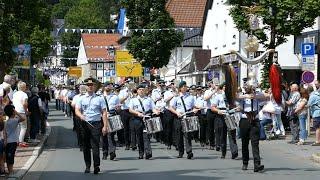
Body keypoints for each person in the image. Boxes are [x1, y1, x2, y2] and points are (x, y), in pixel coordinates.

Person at [75, 78, 109, 174]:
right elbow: (77, 110)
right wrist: (81, 115)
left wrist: (105, 126)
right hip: (85, 124)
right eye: (88, 85)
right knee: (86, 146)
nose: (90, 86)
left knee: (95, 145)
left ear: (94, 86)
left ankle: (96, 166)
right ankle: (87, 166)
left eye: (92, 85)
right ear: (85, 87)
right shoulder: (81, 98)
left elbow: (104, 113)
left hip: (96, 124)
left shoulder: (100, 98)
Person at [129, 83, 160, 160]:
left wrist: (156, 111)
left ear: (145, 91)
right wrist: (137, 113)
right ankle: (141, 153)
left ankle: (148, 153)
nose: (141, 91)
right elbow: (130, 109)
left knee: (146, 136)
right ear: (137, 91)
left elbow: (153, 108)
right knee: (139, 137)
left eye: (143, 90)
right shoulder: (133, 100)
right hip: (137, 119)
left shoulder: (149, 99)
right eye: (140, 90)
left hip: (147, 118)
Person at [237, 85, 264, 172]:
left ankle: (257, 164)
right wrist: (246, 96)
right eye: (248, 88)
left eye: (252, 88)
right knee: (244, 143)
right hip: (244, 120)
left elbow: (266, 96)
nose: (250, 90)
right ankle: (245, 162)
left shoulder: (257, 96)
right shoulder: (242, 96)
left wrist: (255, 96)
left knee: (255, 143)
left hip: (254, 121)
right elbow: (235, 96)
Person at [168, 81, 198, 159]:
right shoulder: (176, 97)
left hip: (187, 116)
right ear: (180, 88)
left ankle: (189, 151)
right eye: (183, 86)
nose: (184, 88)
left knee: (187, 135)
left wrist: (195, 109)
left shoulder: (191, 97)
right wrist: (176, 112)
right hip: (178, 118)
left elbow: (195, 106)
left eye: (185, 86)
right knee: (179, 135)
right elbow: (170, 107)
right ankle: (180, 152)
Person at [211, 83, 238, 159]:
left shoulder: (232, 96)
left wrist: (236, 108)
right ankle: (223, 152)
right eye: (225, 86)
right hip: (221, 115)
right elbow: (212, 107)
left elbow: (236, 105)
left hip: (230, 115)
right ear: (222, 88)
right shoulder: (218, 96)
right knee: (222, 135)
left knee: (232, 134)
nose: (226, 88)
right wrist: (218, 111)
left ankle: (234, 152)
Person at [3, 104, 27, 175]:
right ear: (13, 112)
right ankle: (11, 171)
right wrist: (16, 112)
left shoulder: (6, 121)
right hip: (12, 142)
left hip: (8, 141)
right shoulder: (14, 121)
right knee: (11, 157)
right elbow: (23, 118)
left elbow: (5, 132)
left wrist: (5, 140)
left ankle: (10, 171)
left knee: (8, 156)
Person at [102, 82, 120, 161]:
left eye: (110, 86)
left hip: (112, 116)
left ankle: (112, 152)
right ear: (104, 87)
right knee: (103, 136)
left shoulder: (115, 97)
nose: (108, 87)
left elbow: (119, 108)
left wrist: (118, 108)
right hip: (102, 117)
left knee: (111, 135)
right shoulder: (100, 97)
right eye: (107, 86)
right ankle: (105, 152)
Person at [12, 81, 29, 147]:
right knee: (24, 127)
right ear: (24, 87)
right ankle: (20, 141)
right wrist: (26, 111)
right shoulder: (24, 94)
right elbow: (25, 104)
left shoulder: (15, 94)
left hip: (15, 112)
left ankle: (17, 141)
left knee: (17, 127)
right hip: (22, 112)